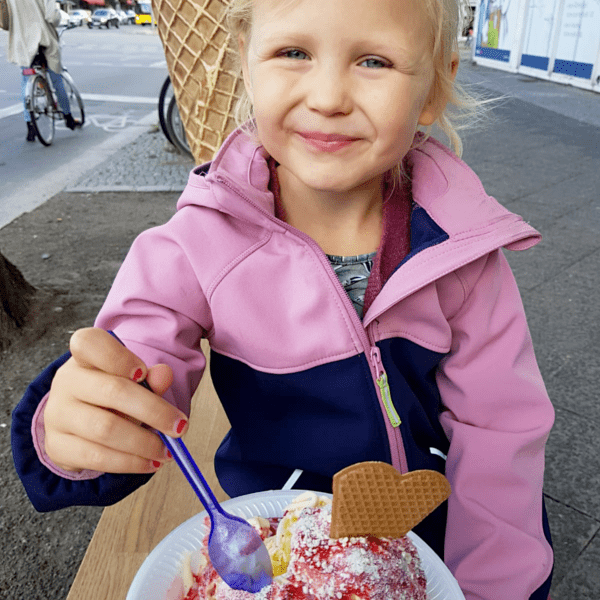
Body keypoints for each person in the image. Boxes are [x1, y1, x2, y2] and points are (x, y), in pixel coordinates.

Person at [11, 0, 554, 598]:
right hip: (274, 542)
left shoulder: (463, 252)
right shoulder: (197, 243)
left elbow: (501, 435)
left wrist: (487, 586)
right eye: (293, 52)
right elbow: (138, 361)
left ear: (434, 87)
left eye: (374, 60)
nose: (327, 97)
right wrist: (91, 417)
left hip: (432, 538)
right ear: (246, 61)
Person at [5, 0, 81, 141]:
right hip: (43, 39)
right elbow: (52, 16)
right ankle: (68, 117)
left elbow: (4, 21)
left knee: (26, 83)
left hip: (23, 43)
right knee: (56, 78)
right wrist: (58, 18)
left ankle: (30, 125)